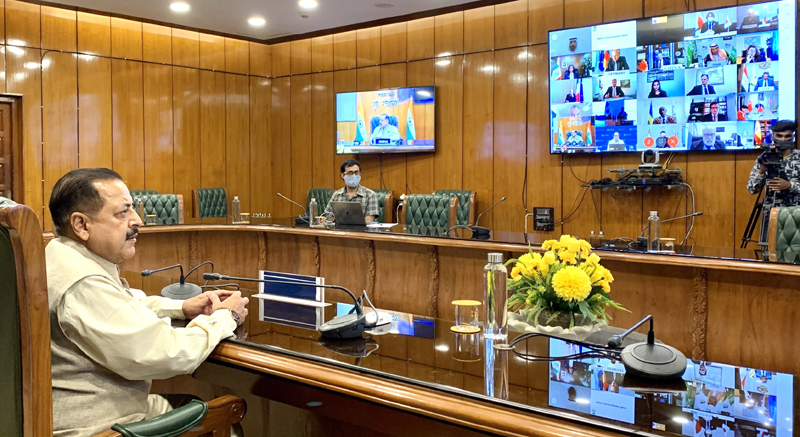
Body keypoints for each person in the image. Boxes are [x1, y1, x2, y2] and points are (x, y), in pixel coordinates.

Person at [46, 168, 249, 437]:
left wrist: (181, 307)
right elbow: (167, 353)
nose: (137, 220)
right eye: (123, 213)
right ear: (81, 225)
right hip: (101, 428)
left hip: (81, 413)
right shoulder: (83, 282)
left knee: (187, 401)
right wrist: (225, 317)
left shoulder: (61, 255)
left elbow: (119, 305)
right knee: (229, 417)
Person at [747, 120, 800, 246]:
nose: (783, 139)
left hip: (796, 213)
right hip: (771, 214)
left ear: (793, 136)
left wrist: (790, 186)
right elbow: (751, 189)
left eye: (787, 136)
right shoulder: (765, 157)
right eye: (779, 136)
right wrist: (761, 171)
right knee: (768, 253)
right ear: (772, 137)